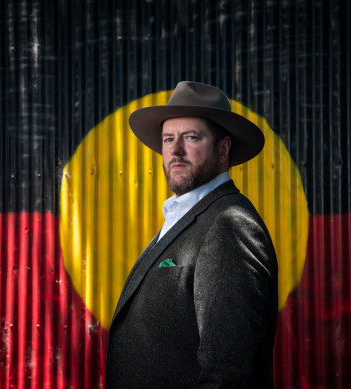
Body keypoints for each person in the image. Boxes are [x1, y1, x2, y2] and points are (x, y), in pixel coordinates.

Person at [105, 81, 278, 388]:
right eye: (168, 139)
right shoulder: (184, 216)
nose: (176, 149)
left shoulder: (229, 225)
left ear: (223, 149)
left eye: (191, 137)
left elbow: (227, 374)